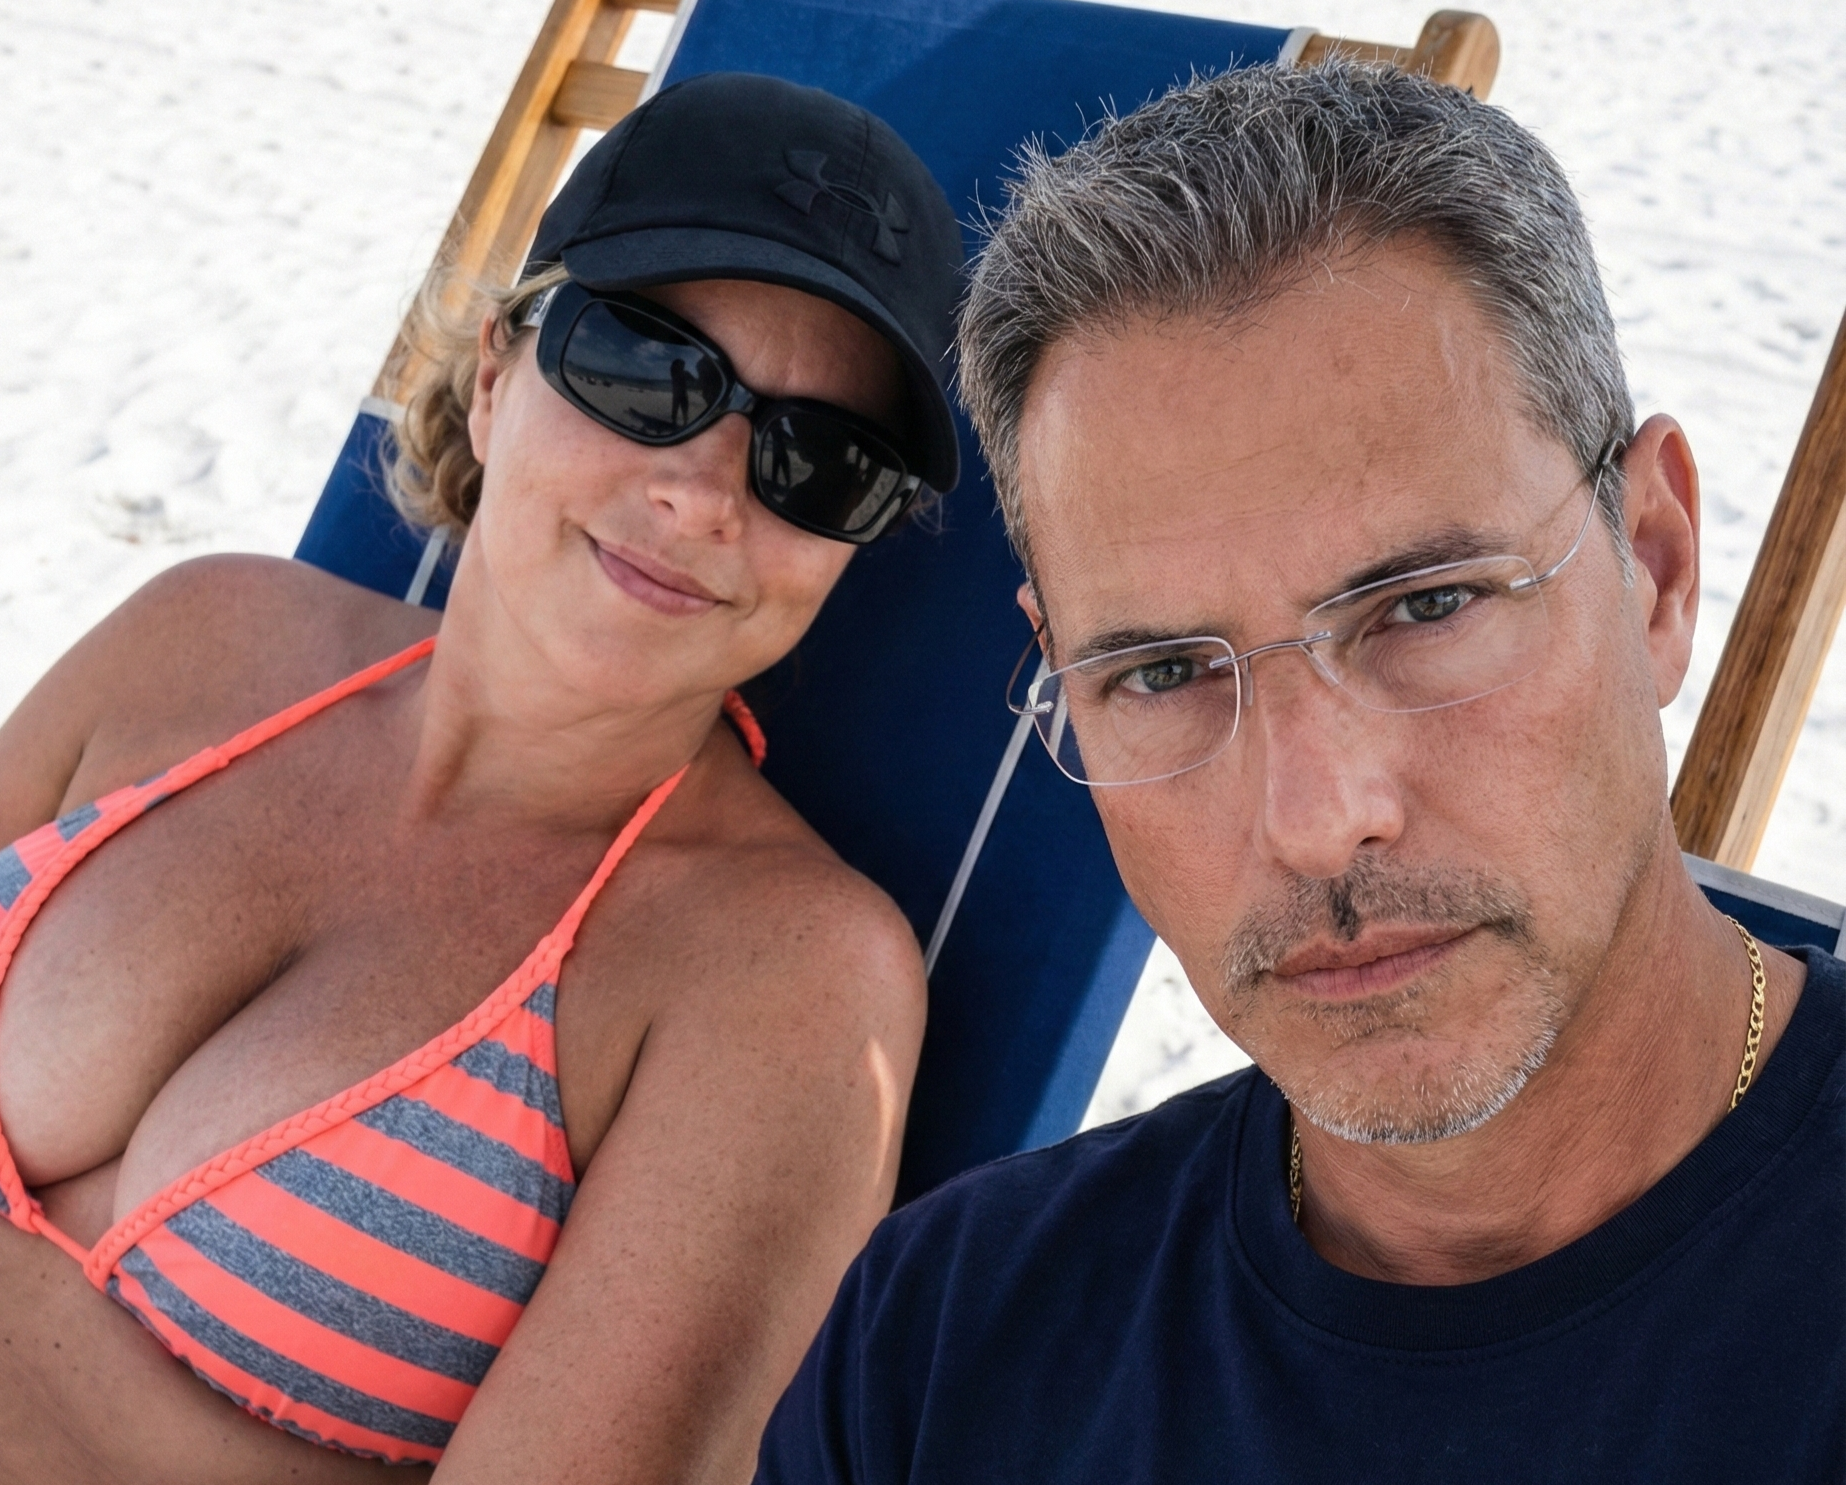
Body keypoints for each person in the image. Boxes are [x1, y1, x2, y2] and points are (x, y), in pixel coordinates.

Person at [755, 60, 1844, 1483]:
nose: (1322, 821)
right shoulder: (941, 1346)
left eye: (1427, 606)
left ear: (1653, 569)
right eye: (1159, 673)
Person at [0, 71, 963, 1483]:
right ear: (500, 373)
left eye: (821, 465)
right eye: (649, 371)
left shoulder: (786, 983)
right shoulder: (199, 637)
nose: (705, 489)